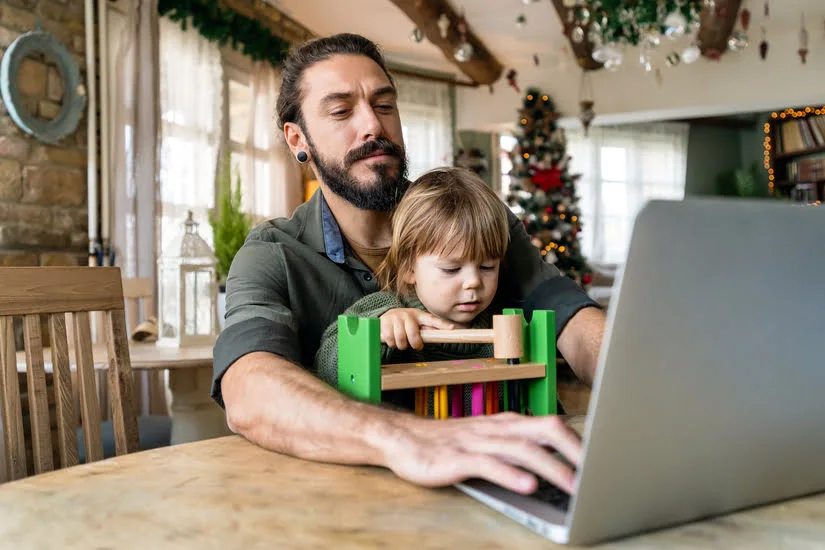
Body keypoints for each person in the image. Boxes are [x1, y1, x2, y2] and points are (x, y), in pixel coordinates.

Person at [212, 32, 606, 497]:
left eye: (384, 105)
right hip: (347, 508)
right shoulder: (272, 252)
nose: (372, 126)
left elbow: (574, 321)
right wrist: (406, 437)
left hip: (517, 479)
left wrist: (667, 396)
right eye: (341, 111)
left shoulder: (476, 218)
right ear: (298, 139)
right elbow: (248, 387)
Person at [313, 166, 510, 414]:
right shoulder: (384, 309)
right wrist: (378, 331)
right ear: (408, 268)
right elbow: (328, 365)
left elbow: (541, 404)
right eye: (451, 269)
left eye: (487, 266)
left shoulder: (505, 328)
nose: (474, 282)